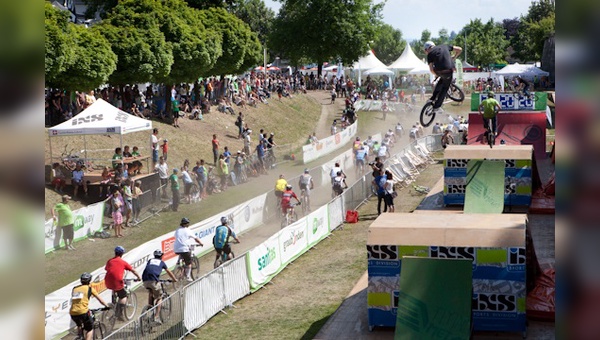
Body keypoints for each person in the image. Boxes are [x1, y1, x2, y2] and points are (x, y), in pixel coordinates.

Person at [424, 41, 462, 115]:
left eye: (425, 51)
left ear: (427, 49)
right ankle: (436, 106)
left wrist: (436, 74)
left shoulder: (429, 54)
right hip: (448, 70)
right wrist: (454, 56)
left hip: (439, 71)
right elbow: (460, 49)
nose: (426, 52)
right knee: (445, 86)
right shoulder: (445, 46)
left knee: (442, 83)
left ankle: (433, 100)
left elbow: (431, 70)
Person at [104, 246, 142, 321]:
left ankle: (114, 302)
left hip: (107, 281)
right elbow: (133, 270)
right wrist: (139, 277)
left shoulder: (110, 261)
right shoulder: (123, 262)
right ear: (122, 254)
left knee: (114, 288)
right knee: (123, 296)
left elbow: (108, 269)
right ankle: (119, 314)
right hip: (117, 281)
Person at [70, 273, 110, 340]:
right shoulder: (90, 289)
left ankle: (80, 335)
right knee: (89, 329)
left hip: (73, 312)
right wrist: (107, 306)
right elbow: (101, 300)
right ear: (89, 280)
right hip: (83, 312)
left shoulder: (75, 289)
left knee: (79, 324)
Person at [142, 250, 178, 323]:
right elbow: (168, 272)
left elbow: (150, 269)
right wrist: (174, 279)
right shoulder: (162, 262)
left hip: (145, 280)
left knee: (151, 291)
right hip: (153, 281)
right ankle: (156, 317)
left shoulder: (150, 260)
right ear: (161, 256)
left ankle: (150, 307)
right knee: (159, 298)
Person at [173, 218, 204, 282]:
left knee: (182, 254)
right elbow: (195, 238)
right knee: (189, 263)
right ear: (187, 224)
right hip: (184, 249)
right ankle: (188, 276)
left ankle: (178, 264)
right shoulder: (187, 230)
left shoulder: (177, 230)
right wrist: (200, 243)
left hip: (176, 249)